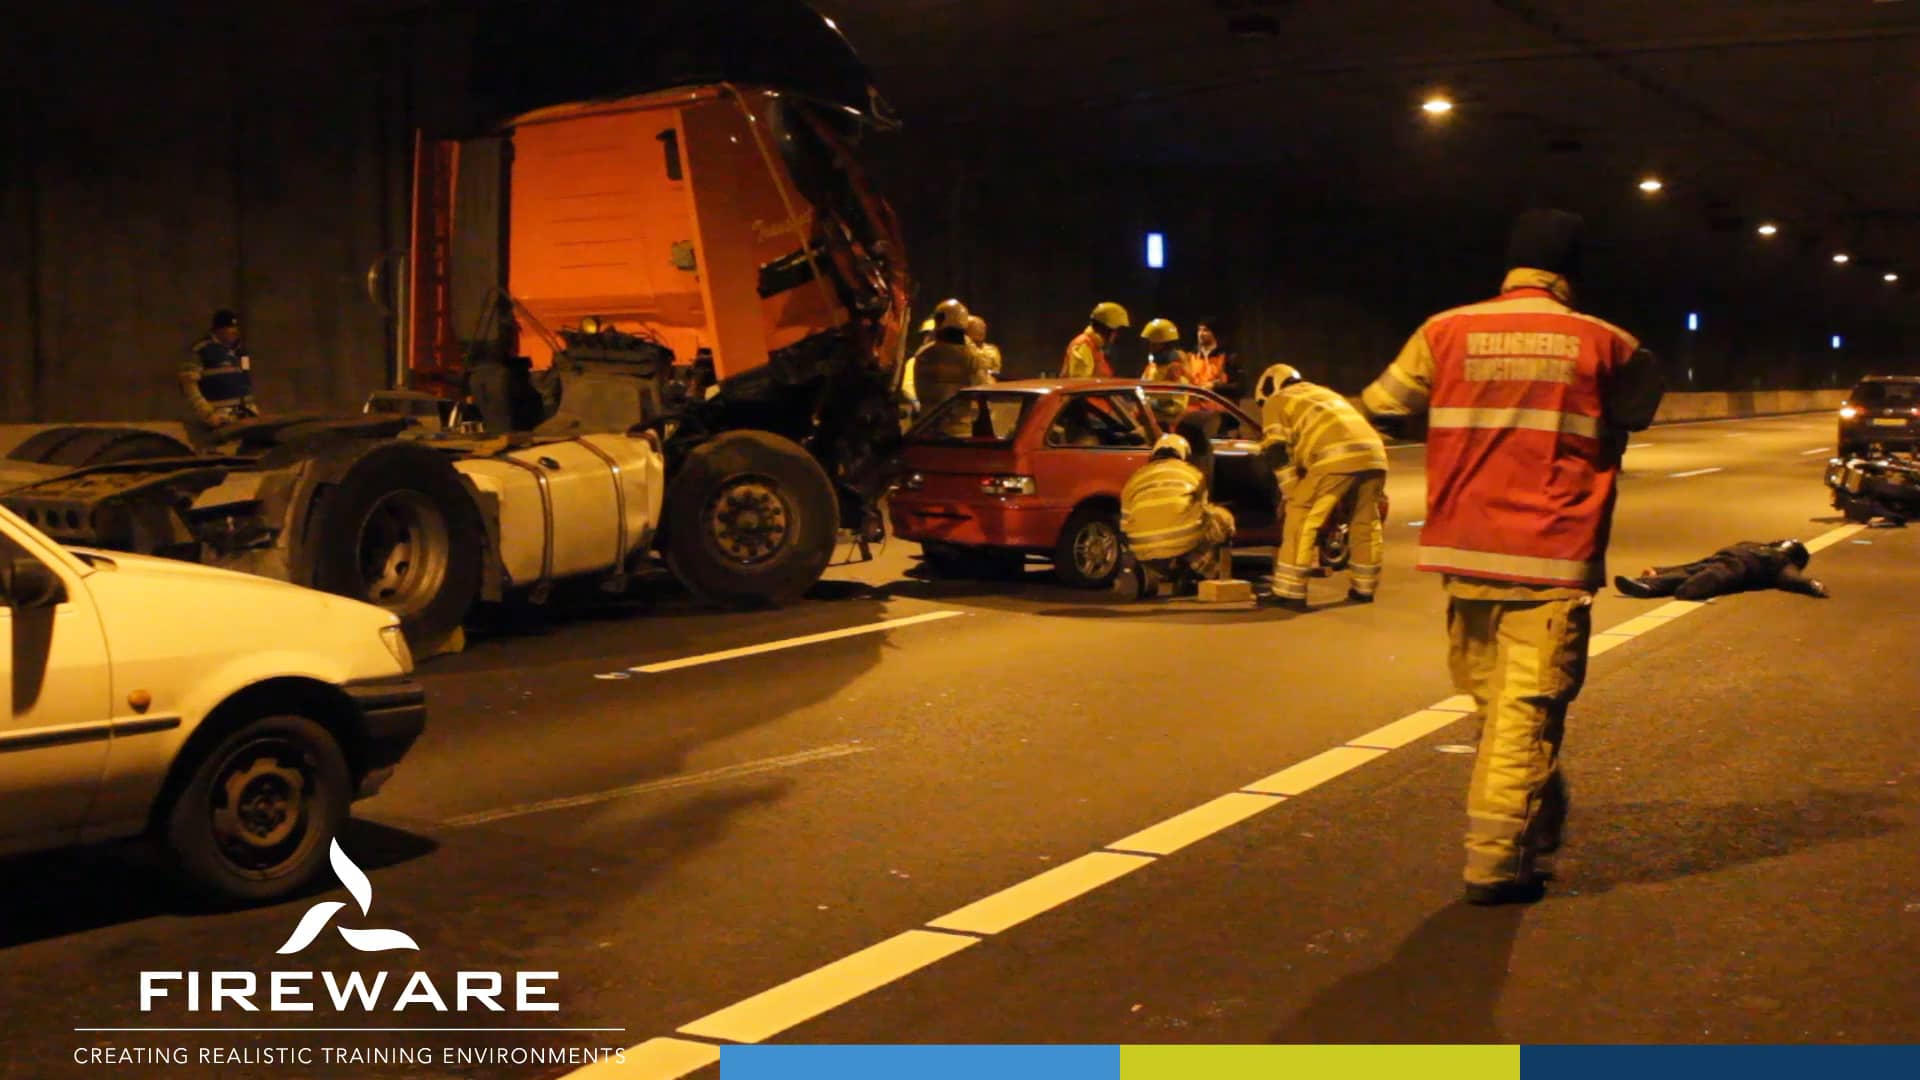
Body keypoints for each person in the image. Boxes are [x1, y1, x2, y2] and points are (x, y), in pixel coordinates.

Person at [1358, 208, 1665, 906]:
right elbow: (1638, 408)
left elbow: (1381, 403)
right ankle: (1497, 867)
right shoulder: (1608, 343)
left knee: (1500, 707)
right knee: (1525, 712)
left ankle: (1538, 826)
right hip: (1549, 557)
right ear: (1567, 276)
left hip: (1464, 553)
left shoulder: (1443, 330)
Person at [1255, 363, 1388, 611]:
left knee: (1301, 516)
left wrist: (1291, 492)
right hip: (1374, 455)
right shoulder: (1322, 393)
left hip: (1335, 457)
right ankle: (1364, 588)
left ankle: (1289, 592)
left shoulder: (1277, 401)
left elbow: (1276, 450)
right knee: (1366, 522)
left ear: (1268, 389)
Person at [1117, 432, 1236, 598]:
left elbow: (1124, 525)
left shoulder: (1134, 479)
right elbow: (1204, 510)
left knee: (1165, 540)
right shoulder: (1192, 473)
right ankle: (1200, 571)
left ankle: (1152, 572)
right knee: (1221, 518)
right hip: (1182, 542)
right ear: (1183, 454)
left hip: (1143, 547)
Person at [1615, 540, 1827, 600]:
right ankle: (1655, 585)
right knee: (1706, 572)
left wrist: (1660, 570)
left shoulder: (1757, 546)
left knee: (1698, 570)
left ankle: (1651, 585)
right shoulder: (1781, 562)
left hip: (1730, 561)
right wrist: (1812, 585)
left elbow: (1794, 581)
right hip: (1734, 564)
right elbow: (1793, 580)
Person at [181, 308, 260, 435]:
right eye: (230, 328)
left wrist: (253, 409)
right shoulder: (202, 350)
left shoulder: (240, 352)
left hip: (245, 419)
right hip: (222, 421)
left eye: (236, 328)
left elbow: (245, 381)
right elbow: (189, 386)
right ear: (218, 329)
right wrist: (208, 414)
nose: (235, 332)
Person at [915, 299, 988, 434]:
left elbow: (920, 390)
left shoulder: (924, 353)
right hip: (957, 430)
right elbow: (982, 389)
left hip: (927, 427)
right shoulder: (971, 355)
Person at [1061, 302, 1129, 378]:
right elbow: (1080, 384)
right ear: (1106, 329)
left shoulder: (1096, 346)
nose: (1116, 335)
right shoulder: (1084, 345)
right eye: (1116, 330)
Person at [899, 315, 937, 425]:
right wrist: (917, 404)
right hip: (922, 415)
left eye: (931, 335)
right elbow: (907, 386)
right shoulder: (914, 361)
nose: (928, 339)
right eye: (926, 335)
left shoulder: (950, 359)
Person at [1192, 319, 1242, 399]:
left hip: (1220, 405)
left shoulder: (1227, 356)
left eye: (1205, 330)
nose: (1201, 334)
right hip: (1196, 406)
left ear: (1214, 333)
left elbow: (1239, 387)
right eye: (1199, 330)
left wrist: (1215, 387)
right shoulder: (1193, 356)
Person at [965, 315, 1003, 383]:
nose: (981, 331)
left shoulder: (992, 350)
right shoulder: (962, 349)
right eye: (976, 327)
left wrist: (987, 373)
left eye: (983, 328)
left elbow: (995, 371)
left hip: (988, 387)